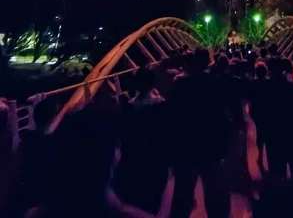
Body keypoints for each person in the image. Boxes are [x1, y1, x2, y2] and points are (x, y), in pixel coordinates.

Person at [23, 107, 154, 218]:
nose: (120, 149)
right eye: (117, 144)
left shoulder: (50, 201)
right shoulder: (98, 198)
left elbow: (119, 206)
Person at [169, 49, 230, 218]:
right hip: (211, 148)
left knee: (183, 194)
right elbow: (222, 116)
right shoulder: (215, 83)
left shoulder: (180, 85)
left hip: (186, 148)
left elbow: (173, 115)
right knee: (215, 194)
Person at [114, 67, 169, 215]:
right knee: (154, 197)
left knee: (138, 197)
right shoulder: (161, 106)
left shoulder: (129, 109)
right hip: (156, 158)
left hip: (135, 159)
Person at [249, 62, 269, 173]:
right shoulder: (269, 84)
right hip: (267, 112)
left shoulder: (253, 84)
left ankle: (260, 157)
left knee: (259, 137)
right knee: (267, 136)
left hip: (256, 111)